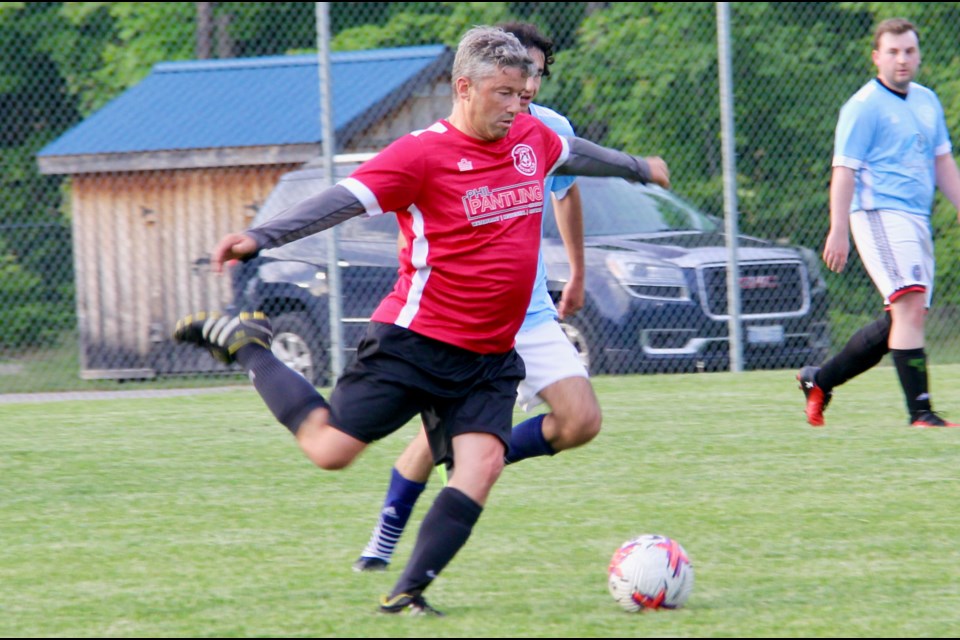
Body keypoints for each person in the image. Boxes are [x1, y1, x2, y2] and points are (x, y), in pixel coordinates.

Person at [174, 25, 669, 616]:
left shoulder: (531, 137)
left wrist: (638, 166)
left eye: (523, 92)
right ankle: (249, 346)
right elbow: (339, 200)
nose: (519, 106)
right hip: (415, 342)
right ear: (465, 87)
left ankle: (406, 592)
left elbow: (580, 154)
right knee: (331, 450)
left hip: (489, 357)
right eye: (505, 93)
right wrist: (261, 235)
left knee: (482, 465)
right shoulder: (419, 154)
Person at [351, 21, 601, 574]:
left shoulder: (548, 131)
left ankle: (480, 454)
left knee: (580, 420)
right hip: (461, 317)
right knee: (425, 438)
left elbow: (566, 198)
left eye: (535, 73)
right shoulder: (454, 136)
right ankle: (386, 533)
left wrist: (577, 271)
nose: (528, 86)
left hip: (529, 313)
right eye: (518, 75)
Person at [797, 17, 960, 429]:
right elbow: (844, 171)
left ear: (919, 55)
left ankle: (820, 380)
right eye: (892, 52)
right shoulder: (863, 106)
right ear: (876, 57)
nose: (902, 59)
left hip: (914, 218)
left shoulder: (926, 101)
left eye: (909, 51)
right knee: (909, 304)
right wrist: (838, 229)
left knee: (901, 321)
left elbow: (942, 162)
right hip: (877, 215)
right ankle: (921, 413)